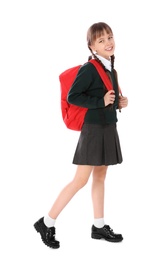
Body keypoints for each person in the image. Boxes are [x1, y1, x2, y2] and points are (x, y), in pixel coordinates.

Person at [34, 22, 128, 249]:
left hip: (108, 128)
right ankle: (46, 222)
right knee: (80, 180)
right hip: (93, 131)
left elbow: (107, 99)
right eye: (101, 40)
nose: (108, 42)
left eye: (109, 37)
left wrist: (118, 104)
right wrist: (100, 101)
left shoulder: (111, 69)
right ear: (92, 46)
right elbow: (74, 96)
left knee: (100, 178)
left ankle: (98, 226)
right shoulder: (90, 68)